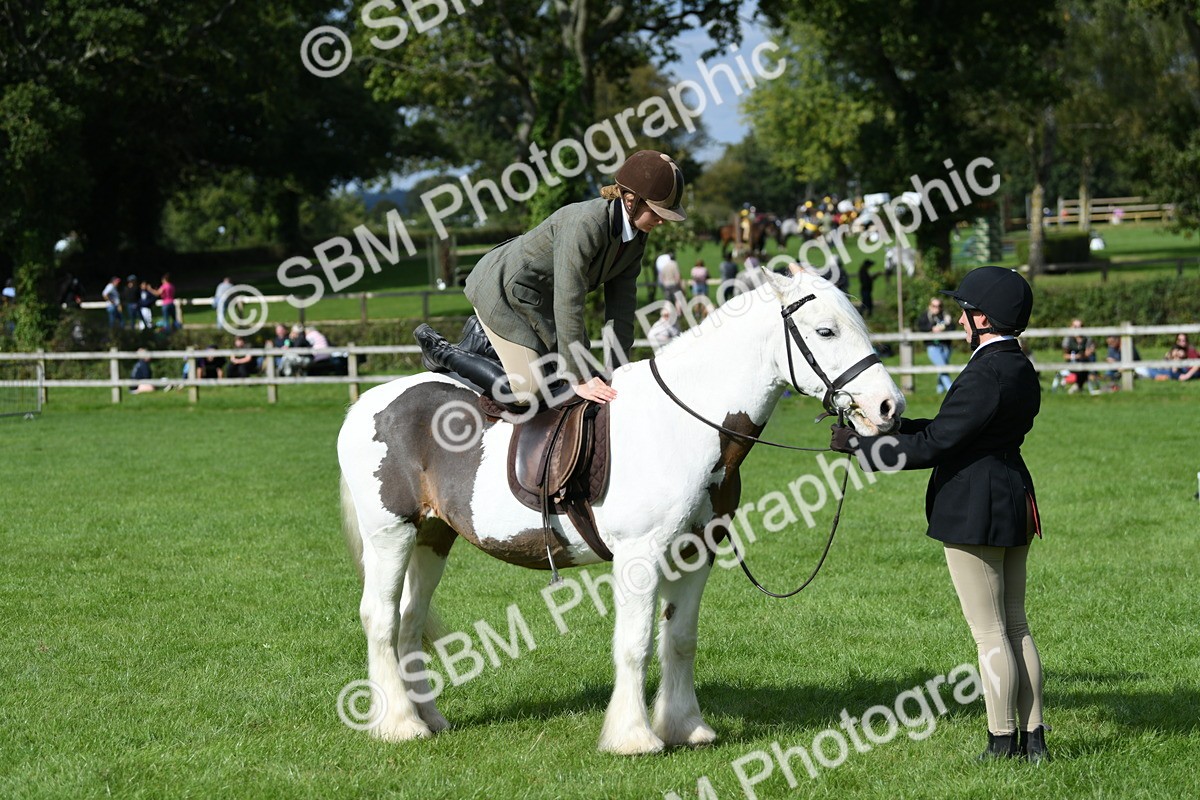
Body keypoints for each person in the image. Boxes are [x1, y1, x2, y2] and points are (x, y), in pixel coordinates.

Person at [831, 266, 1049, 764]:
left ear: (981, 317)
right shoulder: (1018, 367)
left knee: (990, 633)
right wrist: (890, 429)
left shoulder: (983, 371)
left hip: (975, 503)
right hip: (1012, 493)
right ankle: (1033, 739)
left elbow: (935, 446)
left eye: (964, 310)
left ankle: (1000, 742)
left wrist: (861, 447)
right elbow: (956, 428)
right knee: (1016, 626)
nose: (958, 318)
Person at [416, 149, 686, 407]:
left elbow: (622, 307)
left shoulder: (636, 238)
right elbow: (570, 297)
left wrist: (618, 371)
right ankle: (440, 350)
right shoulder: (585, 224)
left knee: (590, 373)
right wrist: (579, 377)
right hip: (503, 292)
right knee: (528, 391)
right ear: (630, 200)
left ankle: (480, 339)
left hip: (540, 301)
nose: (662, 221)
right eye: (657, 211)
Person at [917, 297, 954, 394]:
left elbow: (952, 327)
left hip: (945, 346)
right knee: (942, 367)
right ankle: (951, 390)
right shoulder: (925, 316)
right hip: (932, 346)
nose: (936, 308)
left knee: (942, 367)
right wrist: (932, 328)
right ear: (930, 306)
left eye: (939, 306)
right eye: (934, 306)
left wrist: (942, 328)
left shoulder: (945, 316)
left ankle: (939, 390)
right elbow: (921, 327)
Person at [1062, 319, 1096, 393]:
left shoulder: (1087, 338)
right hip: (1072, 362)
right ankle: (1078, 386)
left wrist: (1086, 353)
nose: (1078, 328)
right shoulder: (1068, 339)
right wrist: (1076, 356)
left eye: (1080, 326)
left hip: (1084, 361)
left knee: (1084, 364)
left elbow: (1088, 353)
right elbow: (1065, 356)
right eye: (1075, 326)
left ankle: (1077, 386)